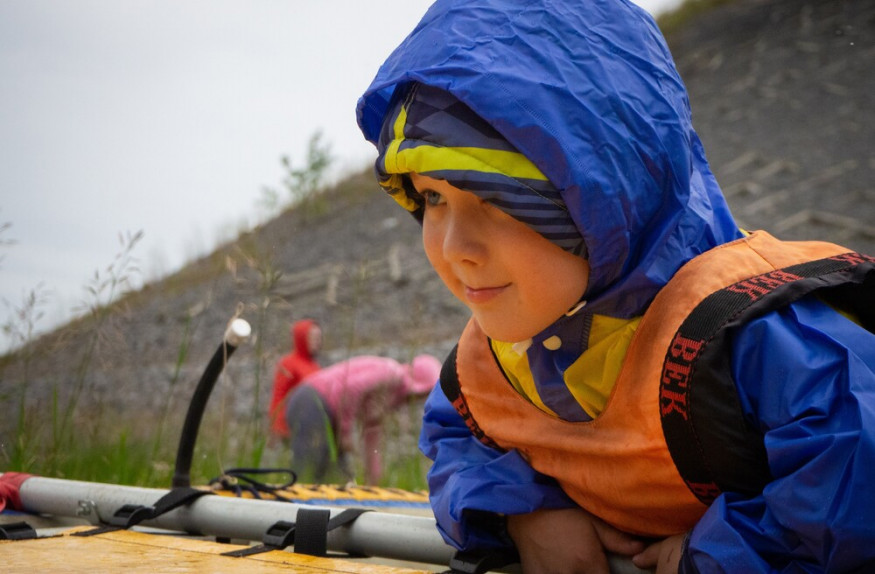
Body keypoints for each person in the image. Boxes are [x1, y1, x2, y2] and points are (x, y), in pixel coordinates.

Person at [354, 0, 875, 572]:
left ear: (609, 200)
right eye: (432, 197)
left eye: (497, 200)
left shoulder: (758, 338)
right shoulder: (489, 368)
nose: (454, 248)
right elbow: (458, 442)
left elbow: (857, 479)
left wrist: (713, 557)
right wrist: (526, 513)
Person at [285, 354, 441, 484]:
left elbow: (372, 431)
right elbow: (348, 390)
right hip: (312, 399)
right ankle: (291, 513)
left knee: (338, 477)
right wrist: (345, 433)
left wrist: (374, 479)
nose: (423, 398)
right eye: (426, 392)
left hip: (328, 412)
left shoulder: (392, 397)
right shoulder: (392, 373)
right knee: (309, 467)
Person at [268, 319, 322, 441]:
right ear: (302, 338)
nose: (318, 343)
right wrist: (278, 426)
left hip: (312, 426)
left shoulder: (315, 366)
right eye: (314, 338)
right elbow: (279, 396)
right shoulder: (288, 363)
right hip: (293, 426)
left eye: (319, 338)